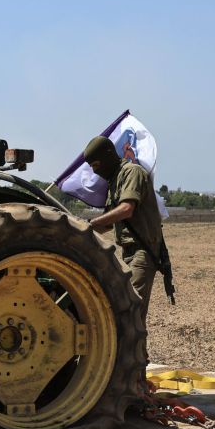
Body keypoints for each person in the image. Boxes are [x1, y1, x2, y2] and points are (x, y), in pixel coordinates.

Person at [85, 135, 168, 325]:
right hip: (127, 252)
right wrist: (80, 231)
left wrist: (90, 224)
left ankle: (137, 355)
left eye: (96, 165)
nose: (94, 171)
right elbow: (107, 223)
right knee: (123, 309)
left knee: (132, 312)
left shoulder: (132, 173)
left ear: (108, 156)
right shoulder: (115, 180)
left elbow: (126, 209)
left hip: (142, 251)